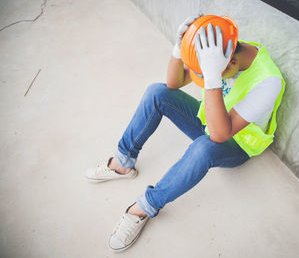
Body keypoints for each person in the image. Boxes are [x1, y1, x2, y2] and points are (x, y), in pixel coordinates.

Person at [85, 14, 285, 252]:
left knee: (203, 147)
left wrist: (212, 77)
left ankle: (144, 207)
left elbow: (220, 135)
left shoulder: (268, 81)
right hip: (210, 121)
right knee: (156, 92)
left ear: (230, 64)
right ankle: (122, 162)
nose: (200, 77)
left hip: (236, 143)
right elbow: (172, 84)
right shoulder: (219, 50)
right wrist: (179, 49)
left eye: (207, 73)